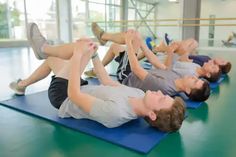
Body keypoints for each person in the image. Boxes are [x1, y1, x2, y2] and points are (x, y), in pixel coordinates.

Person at [23, 22, 186, 132]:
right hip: (83, 87)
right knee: (54, 60)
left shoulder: (115, 113)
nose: (159, 93)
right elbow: (107, 81)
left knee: (81, 48)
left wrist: (79, 55)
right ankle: (22, 85)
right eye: (163, 95)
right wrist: (94, 56)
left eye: (160, 99)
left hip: (64, 96)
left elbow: (74, 95)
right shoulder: (140, 95)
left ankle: (43, 48)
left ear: (152, 115)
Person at [90, 23, 210, 102]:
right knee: (119, 45)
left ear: (188, 90)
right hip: (135, 70)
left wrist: (129, 42)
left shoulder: (165, 87)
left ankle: (103, 36)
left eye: (194, 81)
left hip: (127, 75)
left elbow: (136, 69)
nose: (193, 77)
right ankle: (97, 64)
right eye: (196, 78)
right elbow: (156, 62)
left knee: (131, 37)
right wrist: (142, 45)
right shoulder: (178, 77)